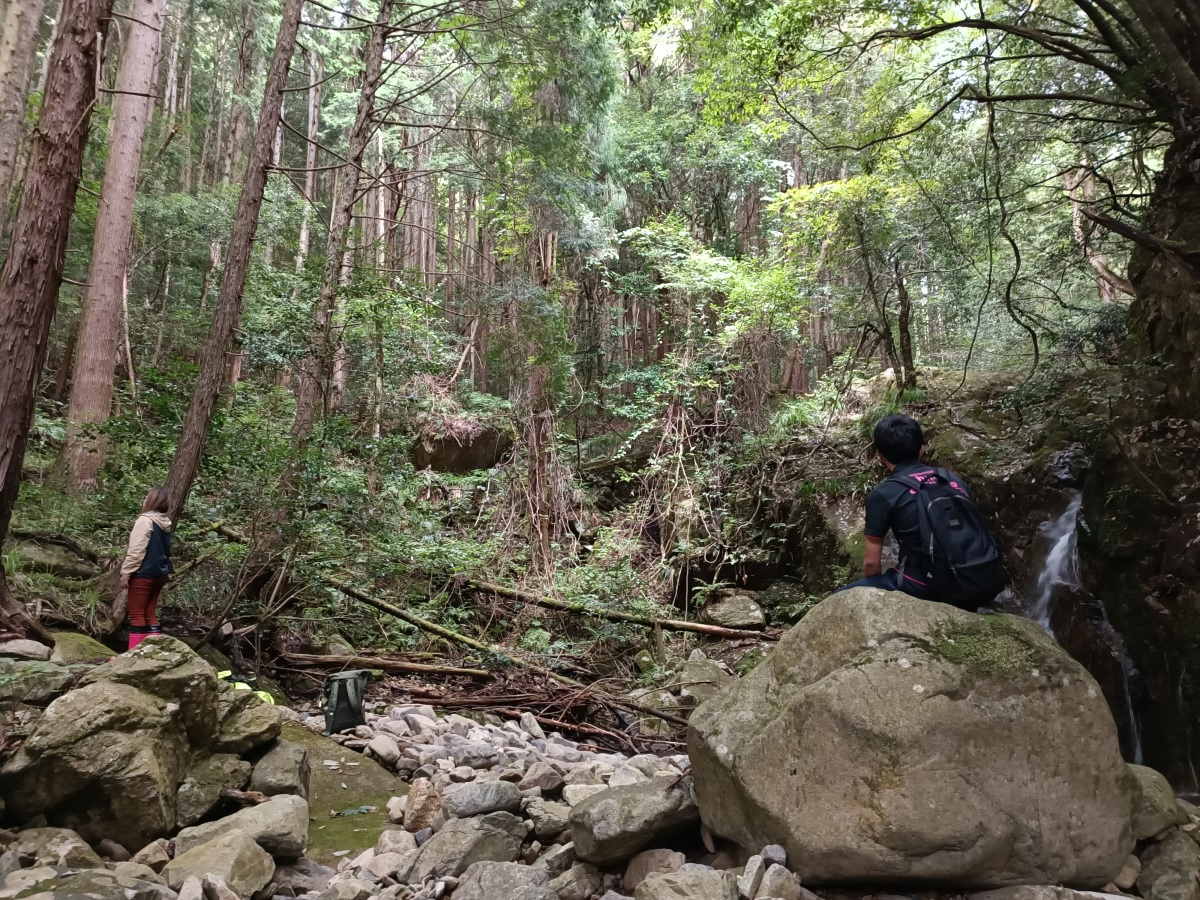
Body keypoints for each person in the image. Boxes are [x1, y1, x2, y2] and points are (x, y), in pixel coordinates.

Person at [837, 413, 972, 600]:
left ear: (880, 456)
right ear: (921, 450)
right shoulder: (953, 480)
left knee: (841, 598)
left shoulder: (885, 493)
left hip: (923, 585)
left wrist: (871, 597)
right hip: (973, 580)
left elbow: (871, 563)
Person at [120, 487, 175, 650]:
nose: (144, 500)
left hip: (143, 573)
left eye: (146, 497)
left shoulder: (145, 521)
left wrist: (125, 574)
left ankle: (135, 656)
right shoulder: (165, 522)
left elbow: (136, 550)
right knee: (149, 613)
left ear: (152, 501)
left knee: (137, 614)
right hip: (160, 574)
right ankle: (152, 653)